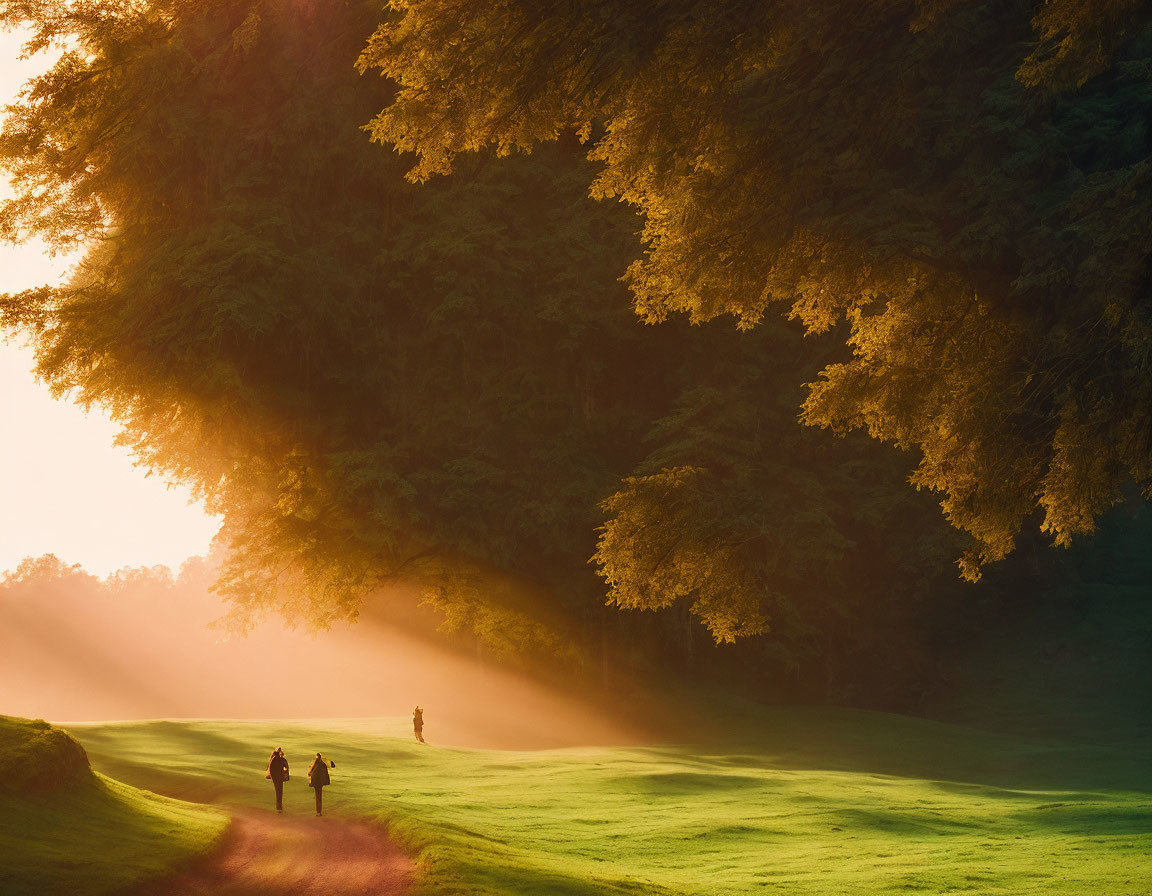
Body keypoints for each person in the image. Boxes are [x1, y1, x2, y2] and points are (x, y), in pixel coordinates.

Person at [266, 747, 290, 813]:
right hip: (279, 777)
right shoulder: (281, 759)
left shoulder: (273, 759)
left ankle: (279, 807)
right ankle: (279, 807)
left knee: (278, 791)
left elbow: (270, 769)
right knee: (280, 791)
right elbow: (286, 767)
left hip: (276, 778)